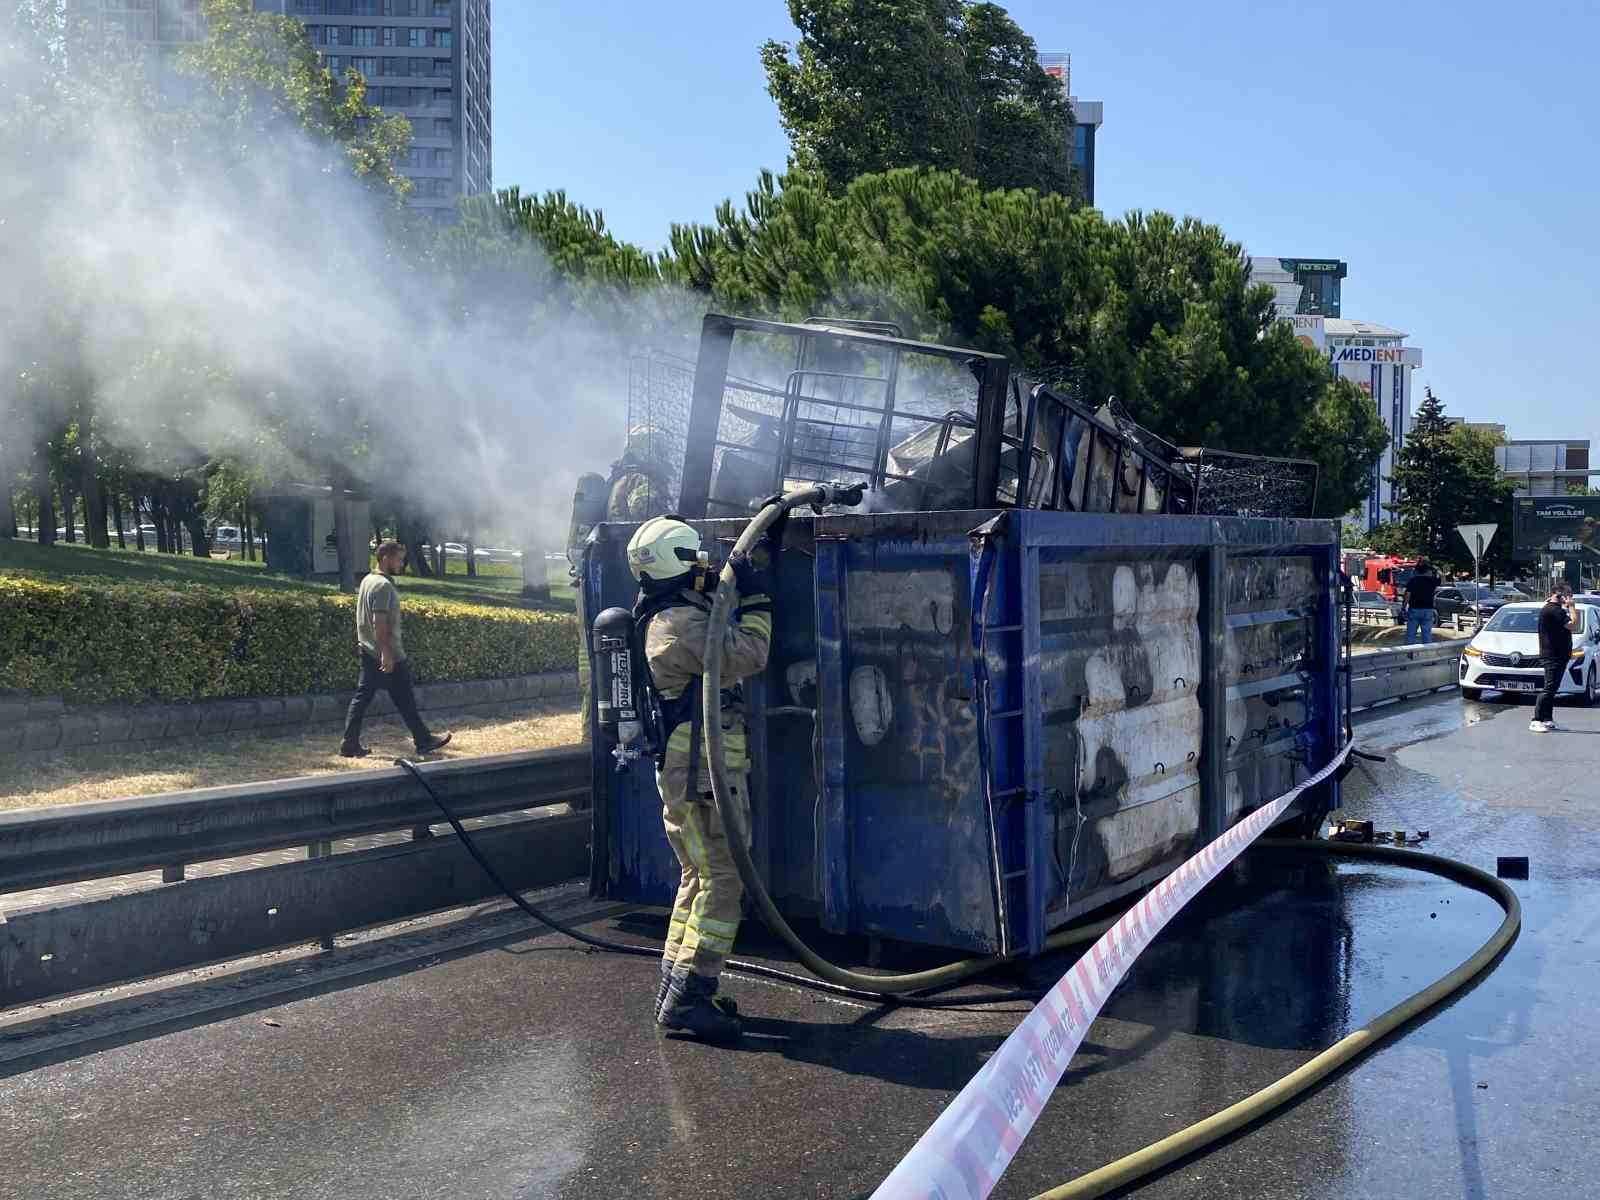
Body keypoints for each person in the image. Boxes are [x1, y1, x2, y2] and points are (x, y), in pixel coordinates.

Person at [627, 515, 773, 1043]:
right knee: (724, 878)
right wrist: (755, 601)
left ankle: (677, 988)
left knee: (698, 876)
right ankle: (693, 995)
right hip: (703, 772)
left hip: (688, 771)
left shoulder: (668, 615)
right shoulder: (678, 627)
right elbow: (748, 654)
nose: (706, 568)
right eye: (698, 559)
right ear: (679, 563)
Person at [340, 541, 452, 758]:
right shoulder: (383, 586)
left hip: (369, 649)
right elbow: (378, 622)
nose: (402, 564)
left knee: (371, 698)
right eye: (399, 559)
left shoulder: (367, 580)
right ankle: (423, 740)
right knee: (402, 698)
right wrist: (386, 652)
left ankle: (351, 744)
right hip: (386, 653)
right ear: (386, 558)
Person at [1532, 584, 1576, 733]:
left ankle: (1547, 719)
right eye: (1568, 595)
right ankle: (1536, 720)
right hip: (1552, 655)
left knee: (1553, 688)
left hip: (1559, 654)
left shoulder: (1555, 610)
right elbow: (1573, 625)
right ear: (1560, 595)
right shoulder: (1553, 610)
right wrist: (1572, 607)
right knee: (1549, 688)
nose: (1570, 597)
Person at [1401, 559, 1440, 645]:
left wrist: (1403, 607)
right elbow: (1443, 581)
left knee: (1410, 634)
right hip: (1428, 610)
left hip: (1414, 609)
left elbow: (1407, 595)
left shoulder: (1413, 581)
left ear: (1416, 570)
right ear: (1427, 570)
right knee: (1427, 635)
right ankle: (1426, 653)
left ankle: (1409, 653)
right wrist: (1437, 570)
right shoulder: (1432, 580)